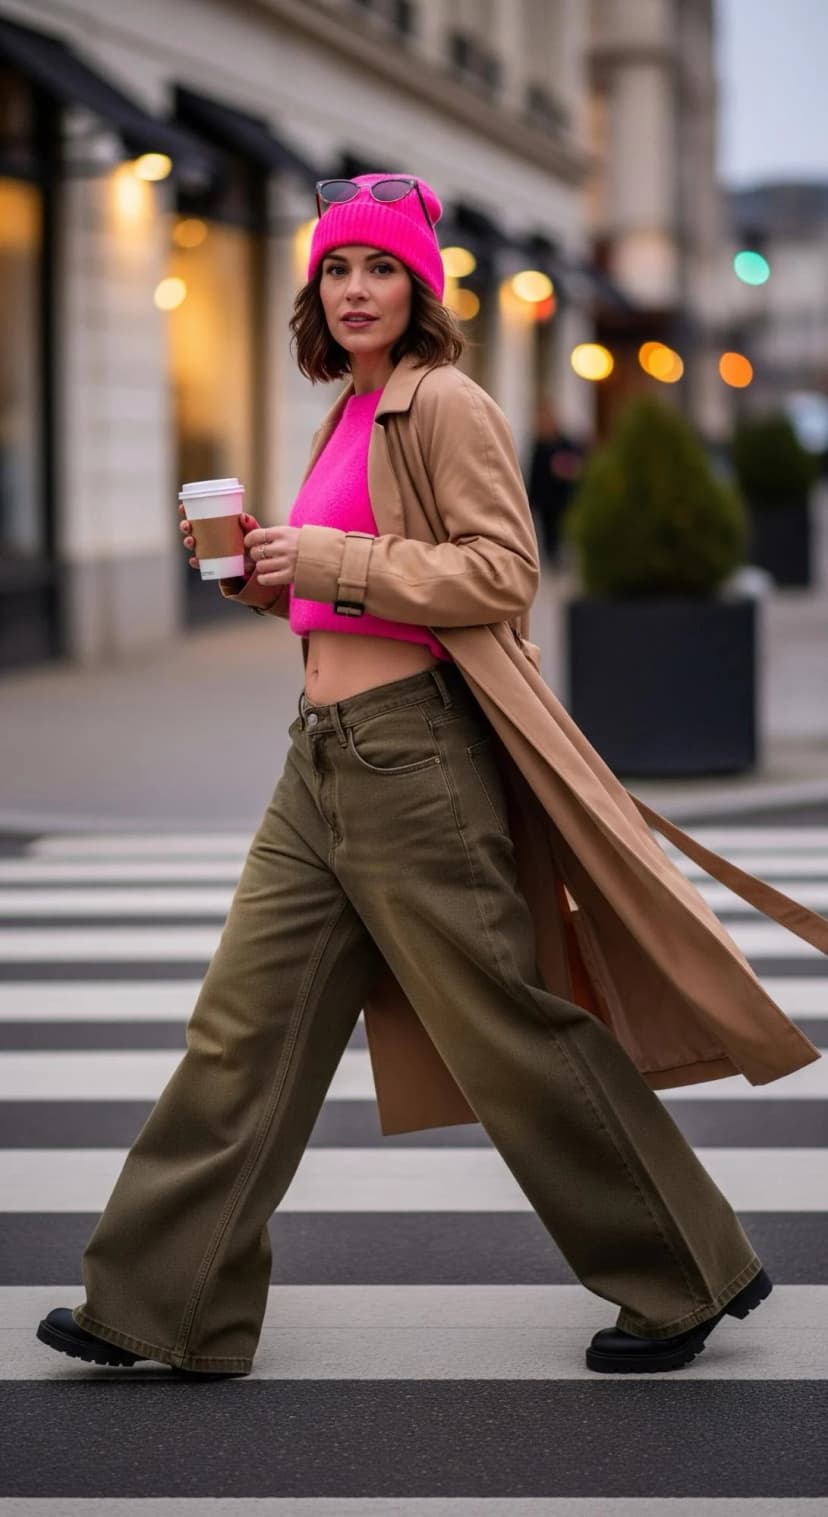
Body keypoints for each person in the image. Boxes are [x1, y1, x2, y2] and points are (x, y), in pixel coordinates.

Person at [36, 171, 784, 1381]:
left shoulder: (447, 403)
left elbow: (500, 571)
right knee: (242, 1028)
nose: (355, 290)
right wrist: (271, 575)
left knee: (508, 1026)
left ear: (424, 288)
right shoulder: (351, 412)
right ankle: (166, 1302)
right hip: (319, 757)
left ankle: (685, 1269)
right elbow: (365, 579)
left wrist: (327, 554)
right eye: (336, 268)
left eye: (381, 267)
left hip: (414, 755)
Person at [527, 398, 585, 569]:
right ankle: (551, 556)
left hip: (561, 496)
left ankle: (557, 556)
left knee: (558, 528)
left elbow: (576, 463)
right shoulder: (538, 444)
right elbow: (534, 473)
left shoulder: (564, 442)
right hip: (544, 498)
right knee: (547, 530)